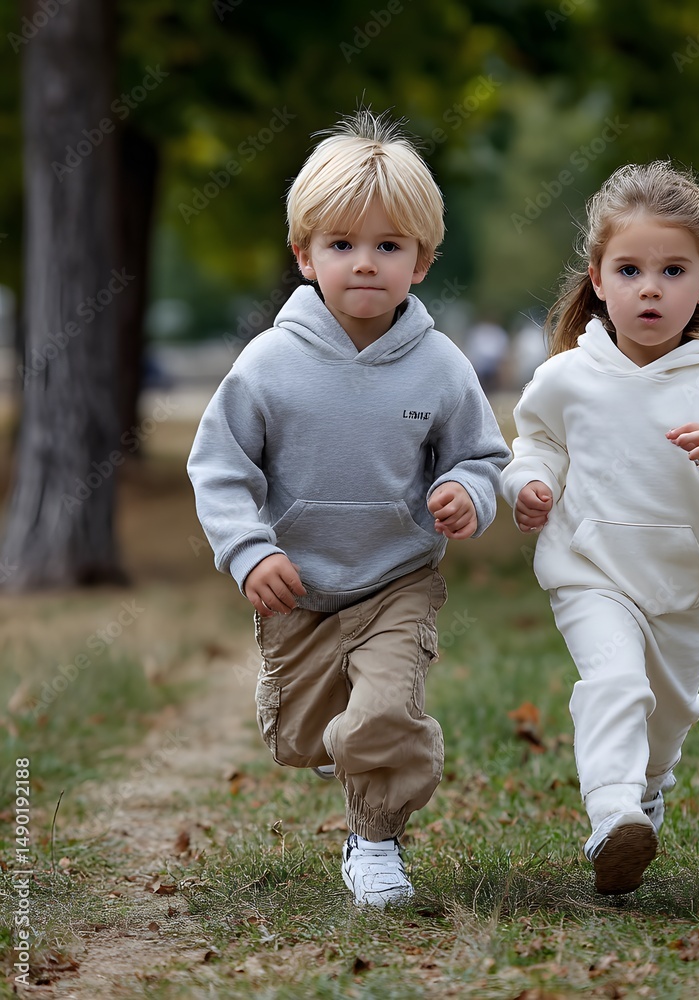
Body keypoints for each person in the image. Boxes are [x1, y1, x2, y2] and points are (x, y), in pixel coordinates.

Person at [188, 110, 510, 908]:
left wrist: (466, 493)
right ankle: (340, 736)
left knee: (381, 719)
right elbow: (219, 466)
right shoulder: (268, 364)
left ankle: (375, 845)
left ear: (423, 261)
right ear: (304, 256)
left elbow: (483, 457)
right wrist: (248, 550)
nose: (364, 264)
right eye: (341, 245)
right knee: (304, 739)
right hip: (300, 586)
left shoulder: (440, 365)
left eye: (388, 246)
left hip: (396, 581)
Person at [500, 161, 699, 895]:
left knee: (668, 714)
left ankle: (647, 786)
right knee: (614, 682)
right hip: (591, 569)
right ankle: (612, 816)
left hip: (685, 590)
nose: (651, 287)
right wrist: (529, 483)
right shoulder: (567, 378)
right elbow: (536, 444)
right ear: (599, 277)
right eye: (631, 269)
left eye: (673, 270)